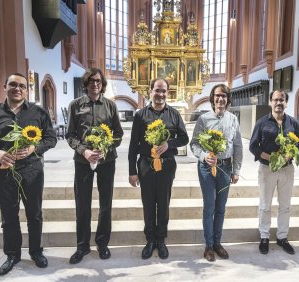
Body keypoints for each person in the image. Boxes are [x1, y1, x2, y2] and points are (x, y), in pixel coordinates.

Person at [0, 73, 57, 276]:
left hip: (32, 171)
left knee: (34, 214)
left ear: (27, 89)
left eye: (22, 85)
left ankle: (36, 252)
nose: (17, 88)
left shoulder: (38, 112)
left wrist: (33, 149)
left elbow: (51, 138)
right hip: (4, 172)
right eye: (13, 84)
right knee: (9, 216)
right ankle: (12, 255)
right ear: (5, 86)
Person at [66, 68, 124, 264]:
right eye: (91, 81)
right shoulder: (75, 105)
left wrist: (104, 147)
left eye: (98, 81)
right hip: (83, 162)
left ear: (102, 84)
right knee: (82, 204)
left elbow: (118, 134)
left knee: (105, 204)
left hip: (106, 161)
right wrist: (85, 151)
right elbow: (70, 135)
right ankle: (82, 246)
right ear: (86, 84)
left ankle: (102, 243)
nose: (95, 84)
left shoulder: (110, 106)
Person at [128, 78, 189, 260]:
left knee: (163, 203)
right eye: (157, 90)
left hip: (167, 164)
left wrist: (168, 144)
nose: (160, 94)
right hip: (146, 164)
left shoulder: (174, 114)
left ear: (167, 93)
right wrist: (132, 171)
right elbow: (133, 146)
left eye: (163, 91)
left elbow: (184, 138)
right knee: (148, 204)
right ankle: (150, 241)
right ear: (150, 91)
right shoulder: (140, 115)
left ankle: (161, 240)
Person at [190, 84, 243, 262]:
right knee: (209, 207)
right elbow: (194, 144)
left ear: (228, 99)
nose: (220, 99)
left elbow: (237, 146)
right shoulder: (203, 120)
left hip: (225, 168)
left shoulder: (233, 119)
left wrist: (236, 170)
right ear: (212, 98)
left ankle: (218, 243)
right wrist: (204, 156)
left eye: (224, 96)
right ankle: (208, 245)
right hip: (206, 168)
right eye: (217, 96)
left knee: (221, 208)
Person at [249, 90, 299, 256]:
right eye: (275, 100)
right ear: (270, 102)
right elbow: (253, 146)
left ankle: (282, 237)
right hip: (267, 169)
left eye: (282, 100)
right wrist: (271, 157)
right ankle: (264, 236)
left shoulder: (293, 123)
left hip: (287, 169)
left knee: (285, 205)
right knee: (265, 205)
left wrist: (289, 155)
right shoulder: (262, 123)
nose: (279, 102)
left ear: (286, 102)